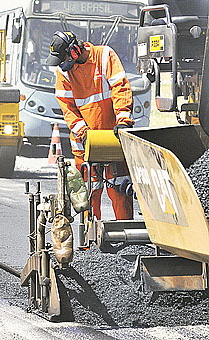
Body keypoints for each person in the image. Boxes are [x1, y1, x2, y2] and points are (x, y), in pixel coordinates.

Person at [46, 31, 134, 220]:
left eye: (64, 59)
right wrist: (83, 133)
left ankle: (126, 236)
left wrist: (123, 120)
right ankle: (89, 244)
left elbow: (120, 88)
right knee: (87, 196)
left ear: (75, 50)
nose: (62, 65)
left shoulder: (104, 56)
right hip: (84, 145)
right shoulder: (64, 73)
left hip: (112, 139)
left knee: (119, 189)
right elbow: (68, 109)